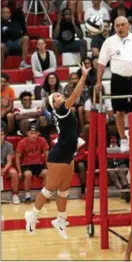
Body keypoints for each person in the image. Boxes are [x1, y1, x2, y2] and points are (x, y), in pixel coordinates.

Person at [24, 63, 91, 239]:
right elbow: (76, 94)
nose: (60, 95)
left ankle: (60, 220)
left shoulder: (62, 111)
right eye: (57, 96)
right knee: (49, 189)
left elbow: (73, 95)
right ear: (55, 104)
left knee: (64, 190)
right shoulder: (61, 110)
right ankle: (33, 215)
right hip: (58, 155)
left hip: (69, 154)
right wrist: (83, 76)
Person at [95, 16, 132, 152]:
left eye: (122, 25)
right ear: (114, 27)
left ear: (128, 26)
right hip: (118, 79)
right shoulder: (109, 42)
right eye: (117, 25)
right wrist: (98, 82)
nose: (120, 28)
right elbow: (101, 64)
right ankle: (123, 139)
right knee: (119, 112)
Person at [16, 124, 49, 202]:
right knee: (28, 174)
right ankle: (27, 195)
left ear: (38, 133)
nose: (33, 135)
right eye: (31, 133)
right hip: (27, 164)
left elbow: (47, 154)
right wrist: (19, 171)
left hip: (38, 164)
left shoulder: (42, 140)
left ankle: (43, 195)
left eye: (35, 133)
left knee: (46, 172)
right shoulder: (22, 142)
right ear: (27, 133)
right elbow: (17, 157)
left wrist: (48, 166)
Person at [1, 127, 20, 204]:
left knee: (14, 173)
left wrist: (4, 170)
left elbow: (9, 162)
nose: (0, 136)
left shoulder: (9, 145)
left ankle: (15, 195)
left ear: (4, 135)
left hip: (5, 165)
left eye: (1, 134)